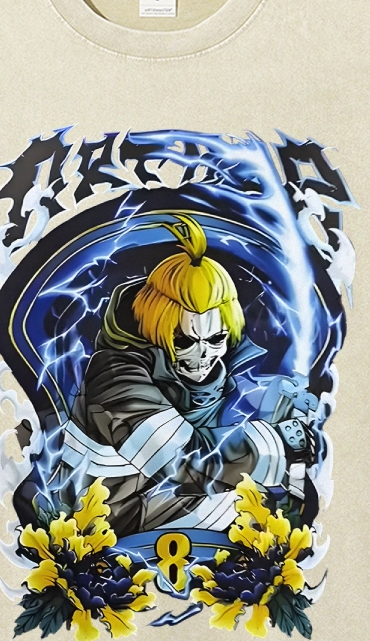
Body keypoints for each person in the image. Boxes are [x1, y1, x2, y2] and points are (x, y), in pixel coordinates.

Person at [57, 213, 316, 536]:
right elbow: (186, 462)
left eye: (216, 339)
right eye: (183, 341)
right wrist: (279, 443)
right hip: (104, 520)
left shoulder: (218, 372)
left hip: (156, 503)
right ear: (156, 330)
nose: (203, 354)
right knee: (250, 509)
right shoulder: (114, 376)